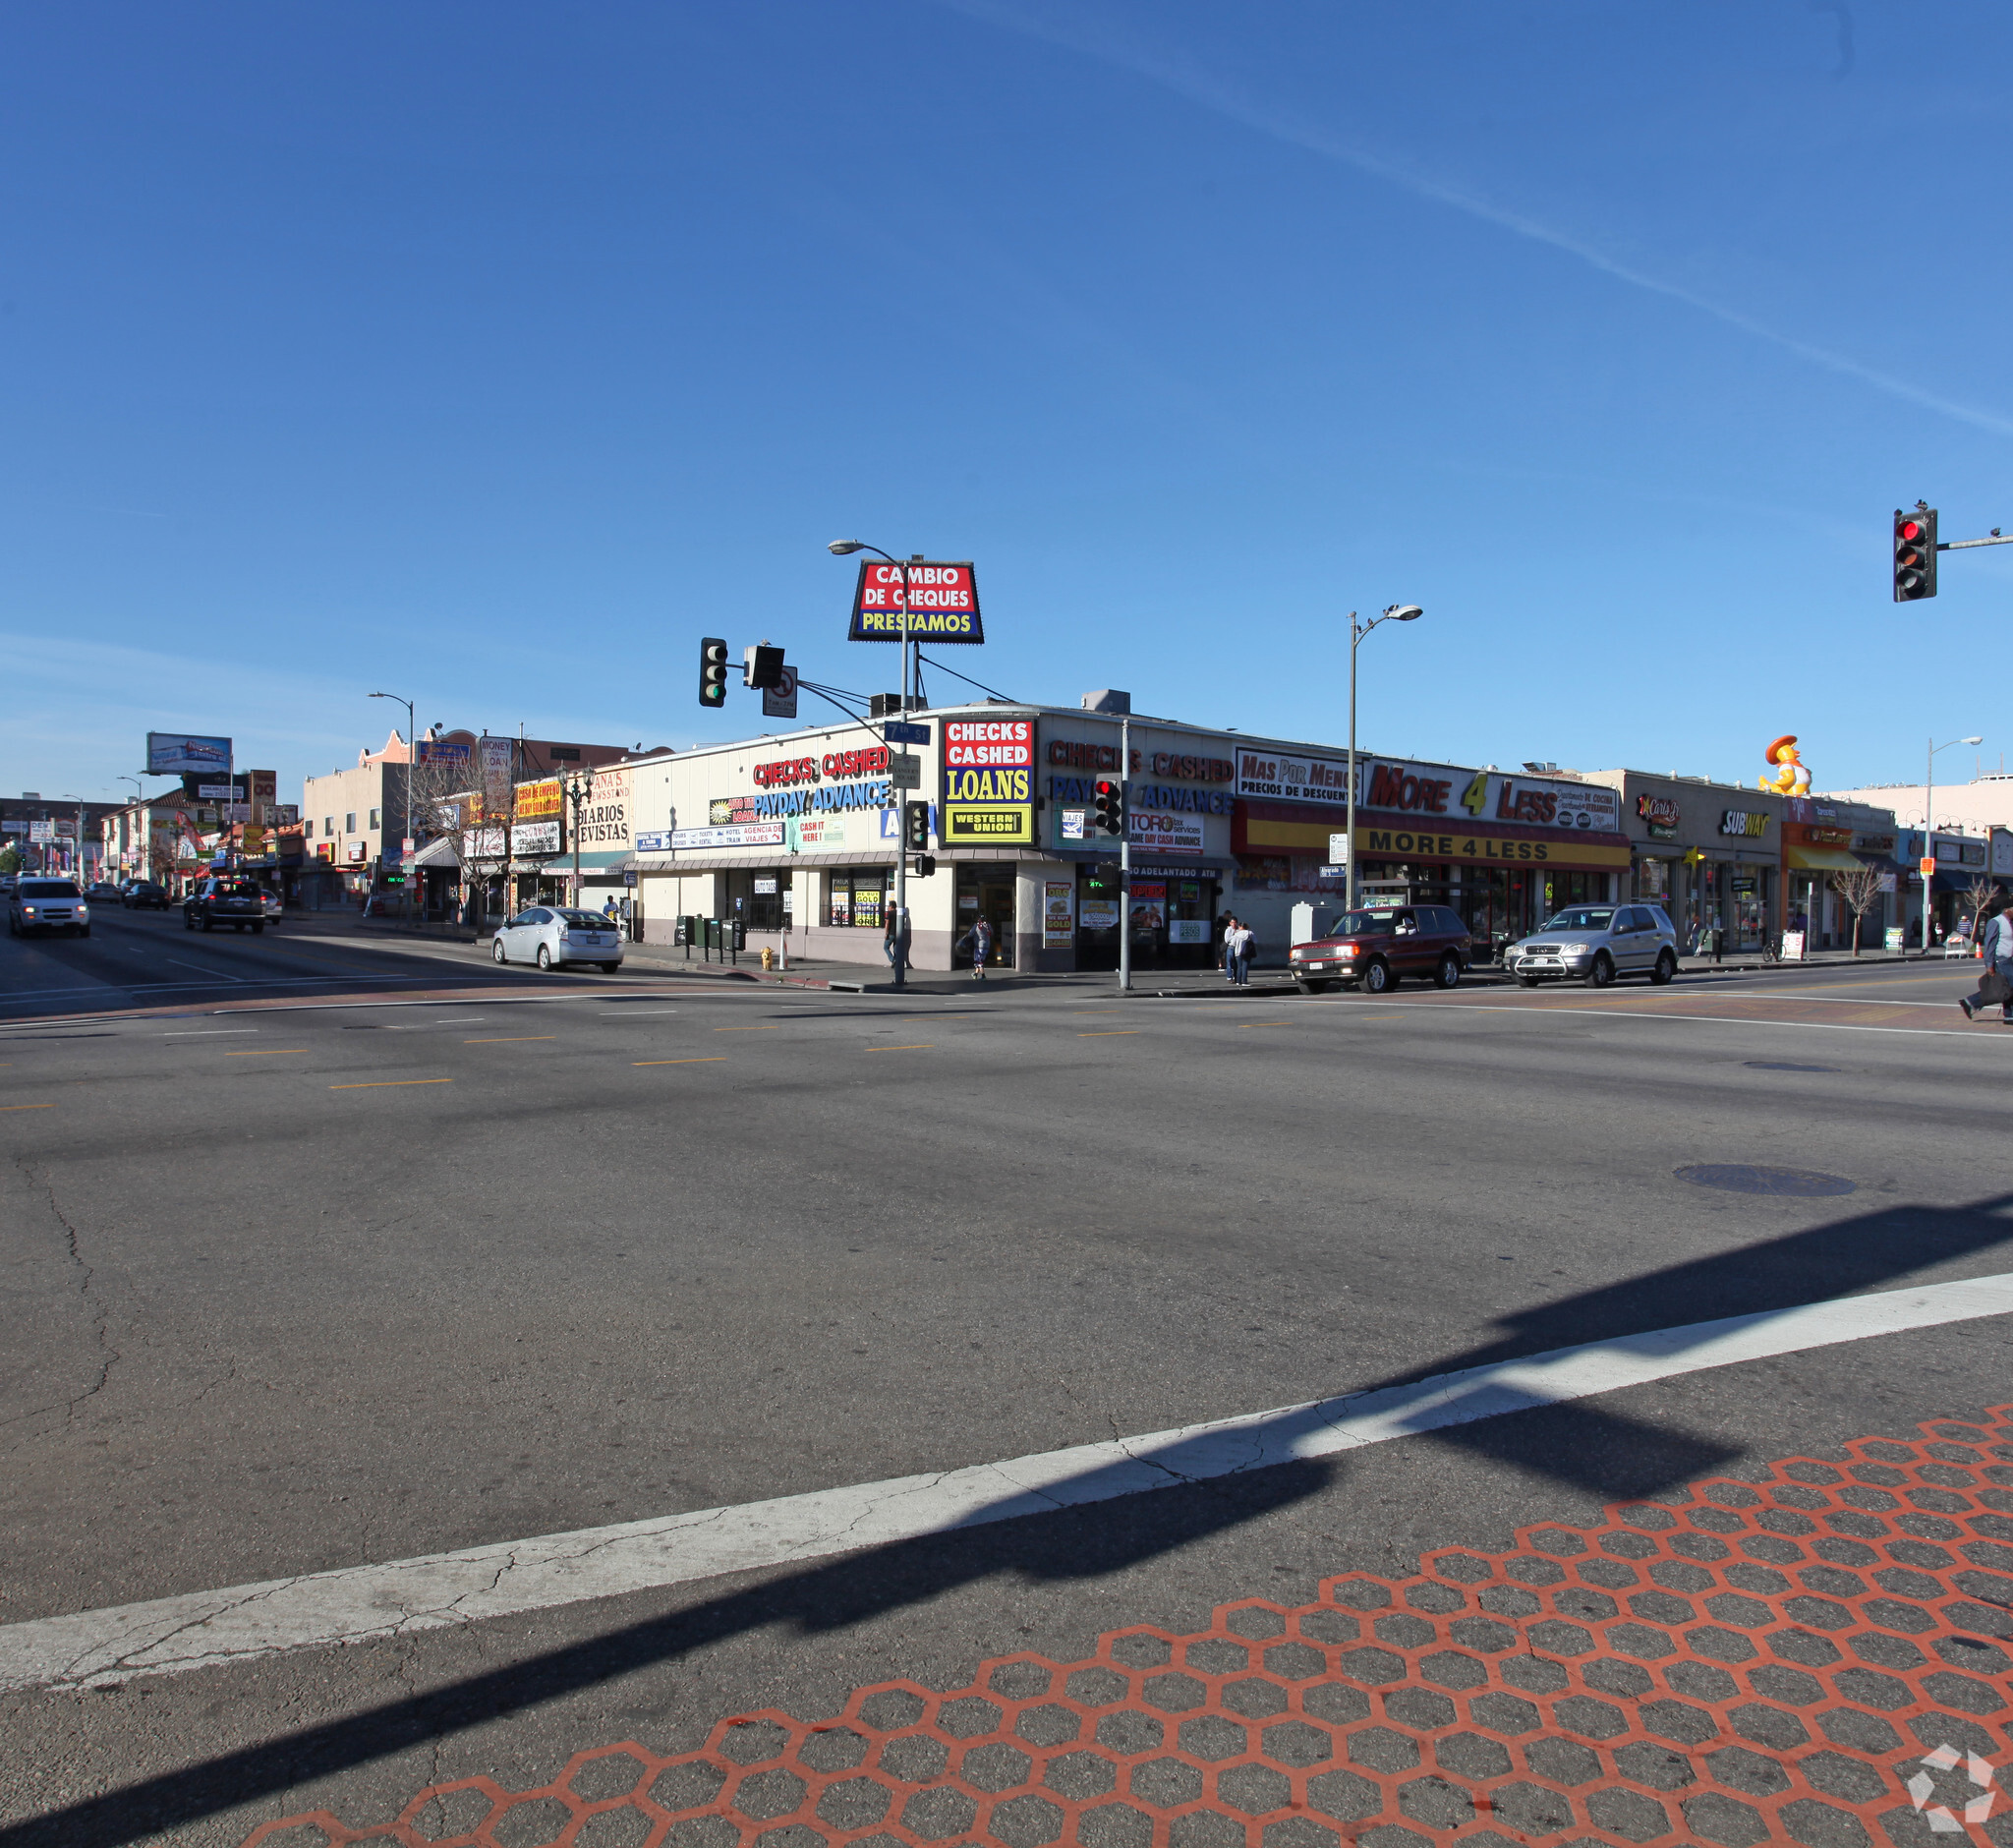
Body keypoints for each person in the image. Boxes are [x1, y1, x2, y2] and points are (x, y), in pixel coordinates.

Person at [1960, 906, 2013, 1021]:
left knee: (2006, 988)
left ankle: (2009, 1015)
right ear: (2008, 910)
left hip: (2008, 959)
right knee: (2006, 987)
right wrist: (1989, 965)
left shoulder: (2010, 922)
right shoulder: (1996, 922)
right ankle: (1972, 1001)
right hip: (2001, 960)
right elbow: (1989, 945)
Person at [1224, 915, 1254, 986]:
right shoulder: (1228, 930)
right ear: (1230, 923)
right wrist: (1235, 936)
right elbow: (1227, 940)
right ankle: (1229, 977)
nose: (1234, 924)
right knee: (1229, 962)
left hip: (1238, 947)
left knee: (1236, 964)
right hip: (1231, 947)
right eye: (1232, 922)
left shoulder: (1239, 929)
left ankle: (1236, 978)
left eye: (1235, 922)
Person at [968, 912, 993, 980]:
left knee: (979, 962)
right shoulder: (988, 925)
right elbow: (992, 933)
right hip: (987, 945)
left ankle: (983, 976)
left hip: (979, 946)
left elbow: (970, 934)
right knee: (980, 960)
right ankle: (975, 974)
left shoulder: (976, 926)